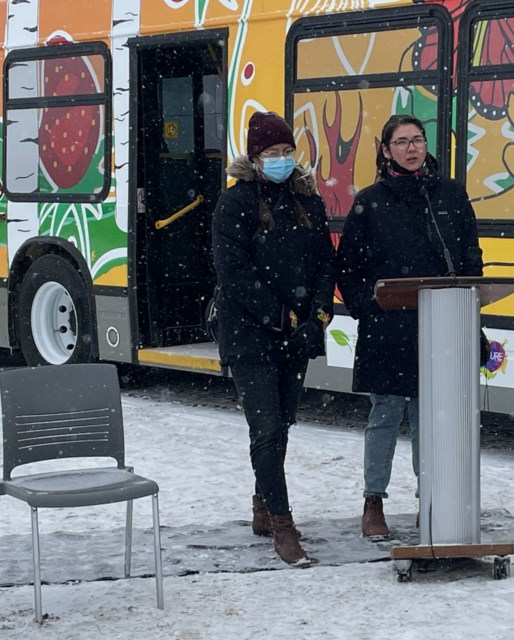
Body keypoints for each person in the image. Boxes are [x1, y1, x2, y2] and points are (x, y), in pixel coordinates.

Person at [337, 114, 483, 537]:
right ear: (386, 150)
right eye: (401, 142)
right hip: (388, 328)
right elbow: (347, 266)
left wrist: (468, 304)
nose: (411, 148)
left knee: (431, 417)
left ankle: (433, 499)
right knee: (384, 414)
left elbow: (471, 257)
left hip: (441, 324)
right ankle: (373, 501)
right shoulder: (371, 200)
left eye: (417, 140)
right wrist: (367, 306)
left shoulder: (452, 195)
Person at [212, 111, 335, 564]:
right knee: (264, 428)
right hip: (250, 335)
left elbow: (326, 261)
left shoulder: (308, 201)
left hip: (298, 333)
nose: (282, 160)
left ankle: (263, 506)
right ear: (255, 157)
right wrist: (283, 318)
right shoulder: (235, 203)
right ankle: (283, 526)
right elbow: (235, 274)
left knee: (282, 423)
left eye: (287, 152)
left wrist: (318, 315)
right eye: (272, 153)